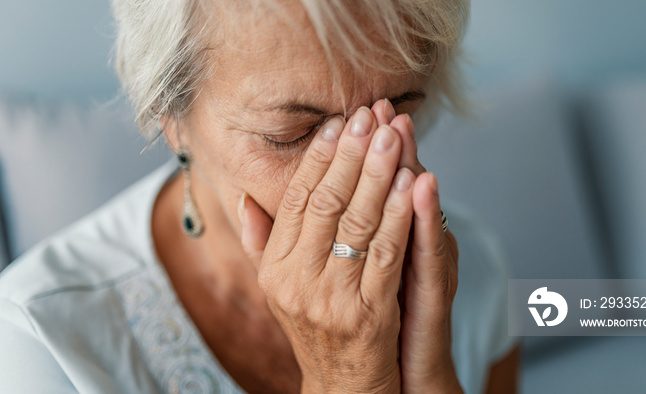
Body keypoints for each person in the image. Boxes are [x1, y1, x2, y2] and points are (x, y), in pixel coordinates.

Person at [0, 0, 519, 392]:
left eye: (394, 117)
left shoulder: (471, 267)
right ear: (172, 117)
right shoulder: (38, 341)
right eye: (291, 135)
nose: (362, 175)